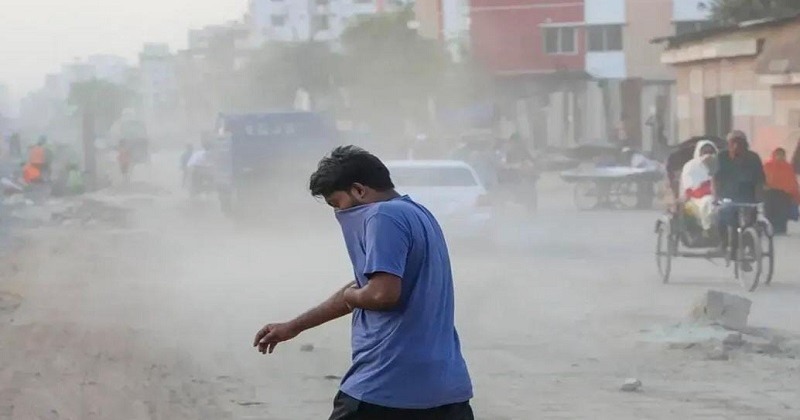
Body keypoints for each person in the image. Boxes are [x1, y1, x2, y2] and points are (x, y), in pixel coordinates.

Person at [253, 146, 474, 420]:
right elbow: (366, 284)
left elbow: (381, 294)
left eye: (336, 204)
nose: (338, 213)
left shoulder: (383, 217)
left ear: (359, 190)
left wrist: (352, 296)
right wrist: (294, 326)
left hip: (386, 386)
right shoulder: (418, 213)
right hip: (446, 390)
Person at [713, 130, 766, 263]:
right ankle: (724, 244)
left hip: (748, 197)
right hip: (728, 196)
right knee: (722, 215)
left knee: (753, 222)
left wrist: (759, 199)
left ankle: (751, 245)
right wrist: (716, 196)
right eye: (733, 143)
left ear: (745, 144)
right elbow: (716, 179)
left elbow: (760, 180)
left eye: (740, 143)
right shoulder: (722, 157)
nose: (736, 146)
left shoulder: (753, 158)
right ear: (729, 144)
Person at [679, 140, 718, 232]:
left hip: (719, 197)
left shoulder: (720, 165)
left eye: (711, 152)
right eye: (705, 152)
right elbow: (690, 189)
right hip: (696, 199)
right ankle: (708, 229)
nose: (708, 154)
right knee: (708, 201)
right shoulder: (690, 166)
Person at [763, 147, 800, 235]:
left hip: (784, 195)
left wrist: (795, 195)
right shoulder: (767, 165)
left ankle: (781, 229)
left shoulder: (788, 167)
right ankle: (771, 229)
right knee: (770, 213)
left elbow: (791, 181)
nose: (780, 157)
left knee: (783, 213)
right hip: (770, 193)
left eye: (782, 155)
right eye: (778, 154)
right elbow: (762, 179)